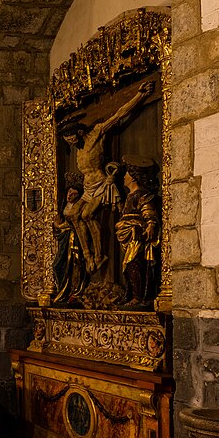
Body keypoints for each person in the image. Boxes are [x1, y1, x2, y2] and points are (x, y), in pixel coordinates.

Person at [59, 79, 154, 273]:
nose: (70, 143)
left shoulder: (97, 133)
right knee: (73, 215)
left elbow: (120, 114)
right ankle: (88, 256)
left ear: (78, 132)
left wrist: (140, 95)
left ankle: (100, 254)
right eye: (67, 141)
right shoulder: (77, 148)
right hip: (87, 188)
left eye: (71, 138)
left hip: (101, 184)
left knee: (87, 214)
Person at [115, 158, 161, 308]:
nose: (124, 177)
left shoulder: (141, 194)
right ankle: (132, 294)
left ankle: (139, 296)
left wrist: (150, 224)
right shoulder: (129, 196)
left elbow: (148, 211)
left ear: (133, 177)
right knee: (128, 266)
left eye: (126, 174)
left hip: (137, 236)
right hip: (128, 236)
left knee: (134, 264)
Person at [51, 174, 87, 304]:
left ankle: (75, 291)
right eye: (69, 192)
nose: (70, 195)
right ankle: (62, 290)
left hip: (75, 240)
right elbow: (58, 227)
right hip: (64, 242)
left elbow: (74, 222)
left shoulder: (79, 207)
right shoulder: (64, 207)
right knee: (58, 265)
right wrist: (57, 227)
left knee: (75, 265)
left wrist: (60, 226)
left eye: (74, 193)